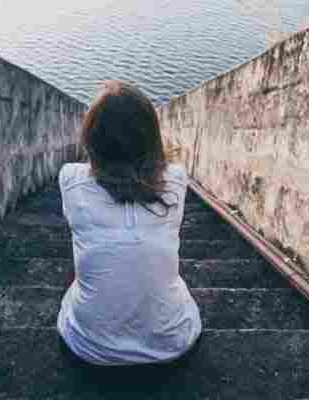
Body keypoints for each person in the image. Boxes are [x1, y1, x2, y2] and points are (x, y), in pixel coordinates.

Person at [56, 80, 202, 366]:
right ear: (151, 137)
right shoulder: (176, 179)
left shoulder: (70, 179)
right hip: (172, 344)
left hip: (89, 346)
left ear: (92, 139)